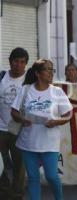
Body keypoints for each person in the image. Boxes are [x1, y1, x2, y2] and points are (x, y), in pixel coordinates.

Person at [11, 59, 73, 200]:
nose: (51, 73)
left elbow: (68, 115)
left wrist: (56, 121)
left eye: (52, 70)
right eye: (47, 69)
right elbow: (14, 112)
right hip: (28, 142)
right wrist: (23, 119)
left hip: (49, 143)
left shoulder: (57, 91)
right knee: (33, 178)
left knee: (51, 176)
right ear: (38, 73)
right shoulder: (26, 89)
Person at [0, 47, 28, 200]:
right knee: (2, 162)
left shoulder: (29, 80)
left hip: (19, 130)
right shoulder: (2, 77)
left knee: (19, 164)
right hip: (1, 128)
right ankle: (3, 190)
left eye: (22, 62)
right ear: (10, 62)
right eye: (16, 61)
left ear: (26, 64)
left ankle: (17, 194)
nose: (18, 65)